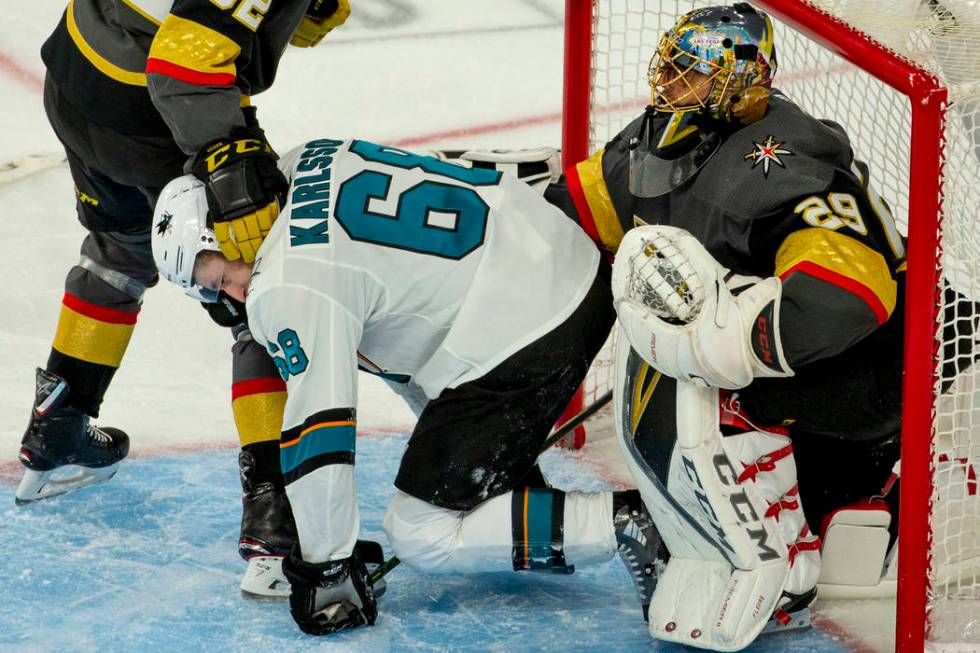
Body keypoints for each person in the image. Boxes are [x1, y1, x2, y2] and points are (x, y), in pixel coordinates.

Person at [151, 136, 666, 635]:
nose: (236, 297)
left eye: (221, 279)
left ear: (230, 230)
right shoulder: (305, 158)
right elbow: (409, 330)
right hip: (560, 258)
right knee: (460, 485)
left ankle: (626, 523)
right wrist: (482, 457)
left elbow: (319, 427)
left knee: (421, 532)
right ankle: (522, 503)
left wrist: (326, 566)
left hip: (530, 326)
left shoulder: (286, 283)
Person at [543, 4, 910, 650]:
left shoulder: (786, 166)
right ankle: (835, 488)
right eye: (672, 73)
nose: (671, 89)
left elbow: (851, 297)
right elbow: (568, 215)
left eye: (693, 77)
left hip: (892, 358)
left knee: (722, 399)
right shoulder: (654, 142)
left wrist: (728, 341)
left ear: (741, 83)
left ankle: (856, 497)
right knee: (701, 380)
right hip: (819, 361)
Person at [16, 0, 350, 599]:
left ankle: (57, 431)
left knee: (118, 248)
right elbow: (185, 65)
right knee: (258, 291)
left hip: (78, 71)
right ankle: (275, 531)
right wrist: (229, 167)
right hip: (155, 103)